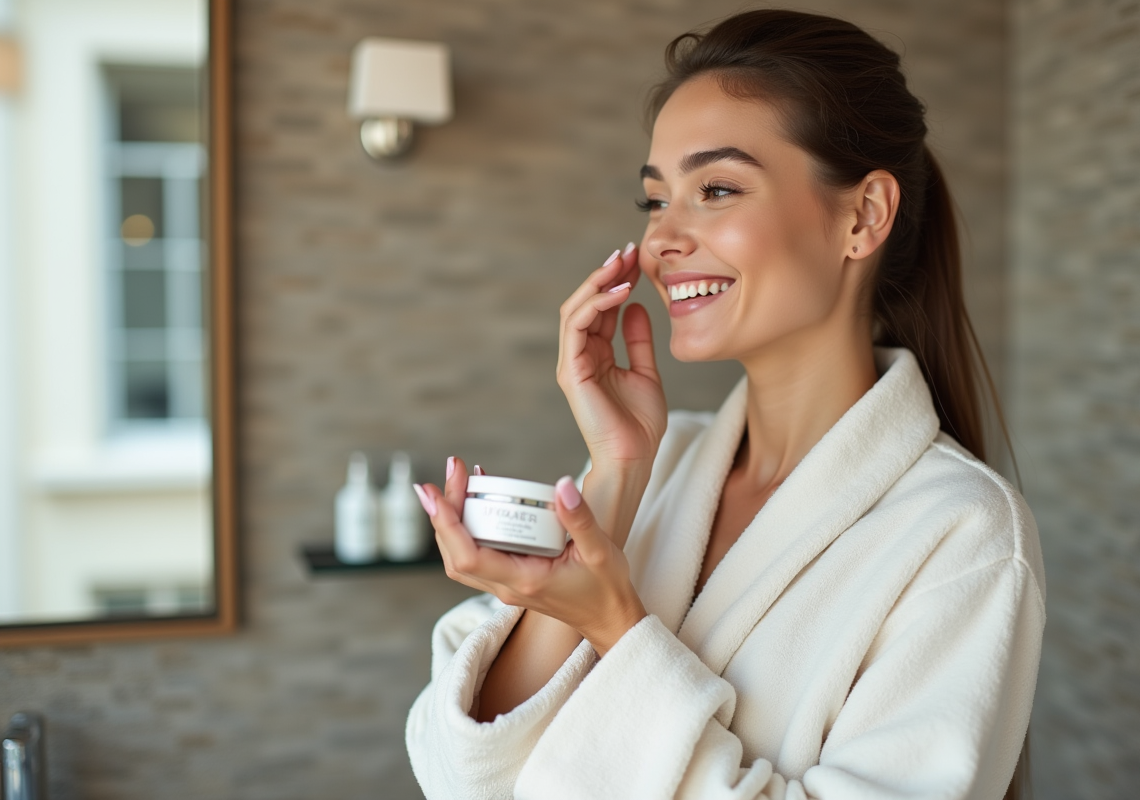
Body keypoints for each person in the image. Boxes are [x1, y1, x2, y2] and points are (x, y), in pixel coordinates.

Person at [406, 9, 1045, 799]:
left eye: (715, 189)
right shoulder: (660, 462)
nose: (661, 240)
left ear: (863, 215)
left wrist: (615, 628)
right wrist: (616, 473)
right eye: (655, 200)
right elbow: (463, 777)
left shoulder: (965, 534)